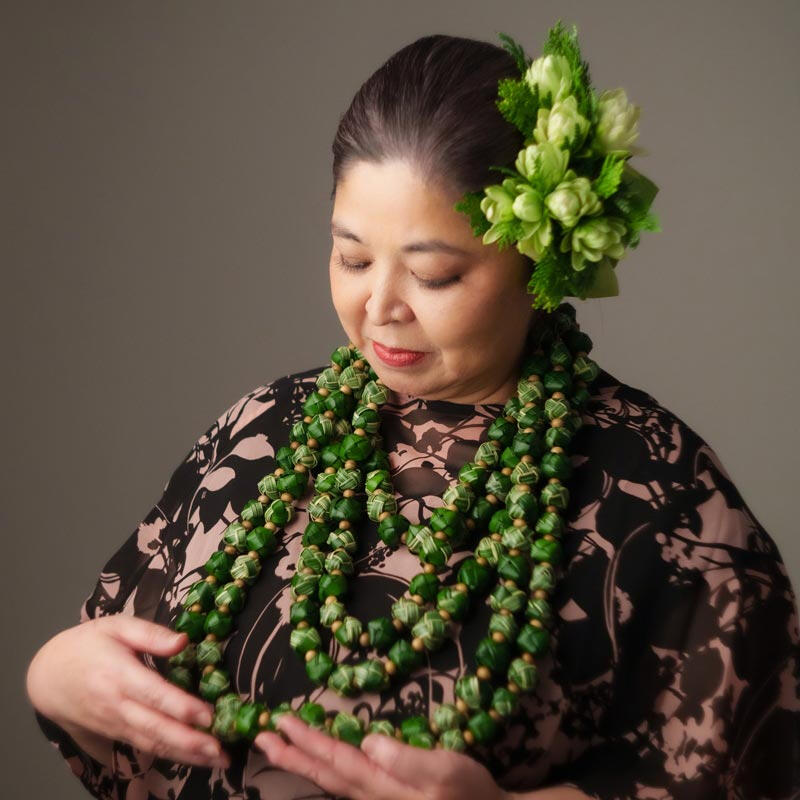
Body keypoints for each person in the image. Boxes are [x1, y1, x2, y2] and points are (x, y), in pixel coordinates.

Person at [25, 25, 800, 800]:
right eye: (353, 258)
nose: (380, 307)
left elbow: (749, 768)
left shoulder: (660, 492)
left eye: (433, 275)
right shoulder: (264, 432)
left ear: (539, 261)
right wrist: (53, 676)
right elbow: (116, 687)